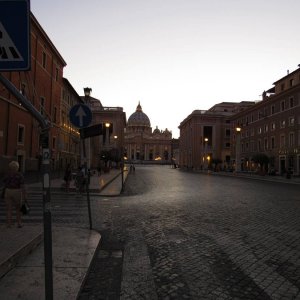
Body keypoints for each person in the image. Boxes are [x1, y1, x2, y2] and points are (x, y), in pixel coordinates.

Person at [3, 161, 26, 228]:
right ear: (17, 167)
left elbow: (4, 182)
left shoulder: (7, 175)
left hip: (8, 191)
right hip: (17, 191)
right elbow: (22, 186)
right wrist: (24, 194)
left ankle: (9, 224)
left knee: (8, 209)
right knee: (18, 209)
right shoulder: (19, 175)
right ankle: (19, 223)